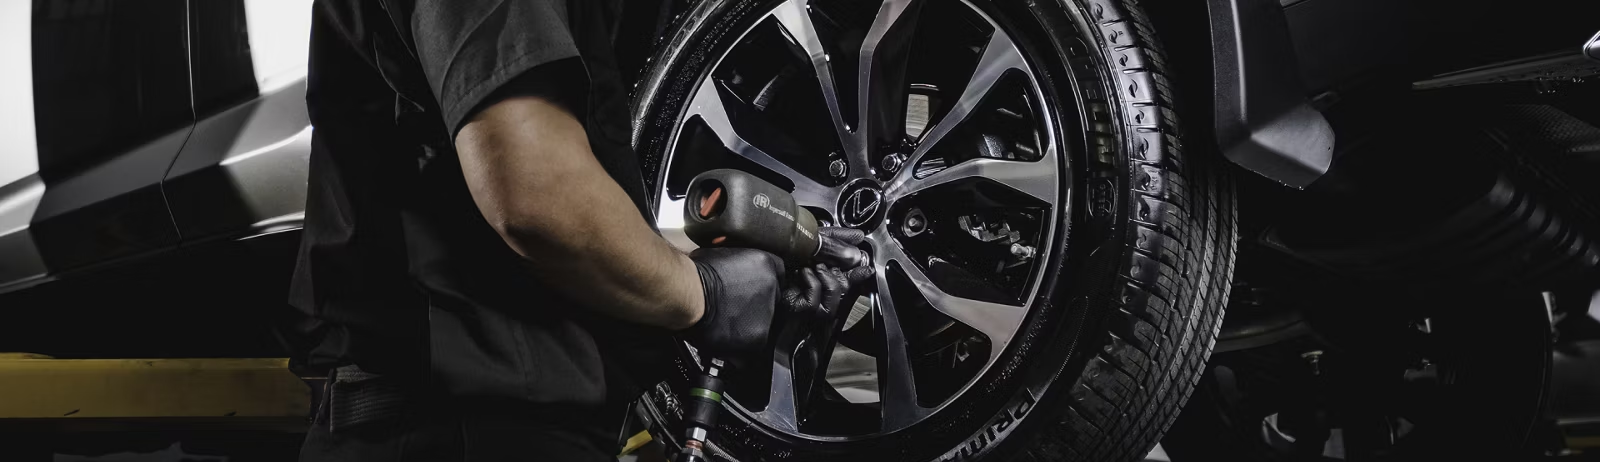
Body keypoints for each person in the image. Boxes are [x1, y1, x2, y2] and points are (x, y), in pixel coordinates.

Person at [288, 1, 870, 460]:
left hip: (511, 426)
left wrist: (720, 273)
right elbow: (533, 194)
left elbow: (556, 212)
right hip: (452, 429)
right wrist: (704, 296)